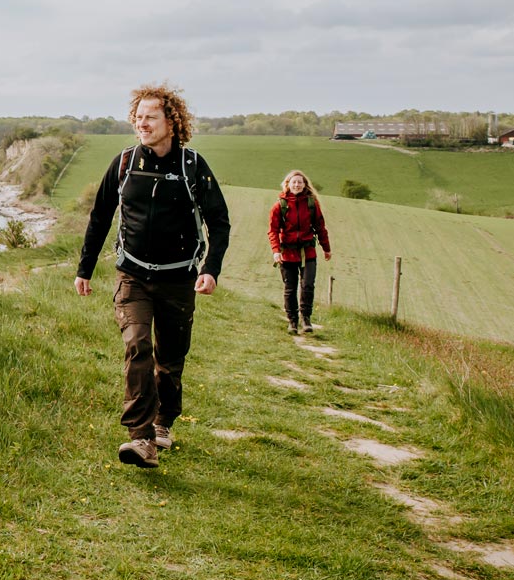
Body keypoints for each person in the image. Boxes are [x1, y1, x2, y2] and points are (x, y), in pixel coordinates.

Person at [74, 83, 230, 469]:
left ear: (172, 122)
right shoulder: (125, 163)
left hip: (179, 279)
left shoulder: (192, 166)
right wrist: (85, 268)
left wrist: (210, 269)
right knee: (137, 344)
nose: (142, 124)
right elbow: (100, 216)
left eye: (151, 117)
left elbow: (219, 222)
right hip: (132, 276)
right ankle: (141, 436)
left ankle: (163, 422)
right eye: (138, 117)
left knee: (170, 360)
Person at [267, 170, 331, 335]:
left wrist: (326, 248)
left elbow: (320, 227)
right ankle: (292, 321)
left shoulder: (311, 204)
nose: (296, 185)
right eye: (294, 182)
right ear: (287, 184)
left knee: (308, 285)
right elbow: (273, 230)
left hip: (307, 252)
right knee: (290, 288)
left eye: (300, 182)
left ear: (304, 185)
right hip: (287, 253)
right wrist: (276, 251)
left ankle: (306, 319)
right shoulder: (280, 206)